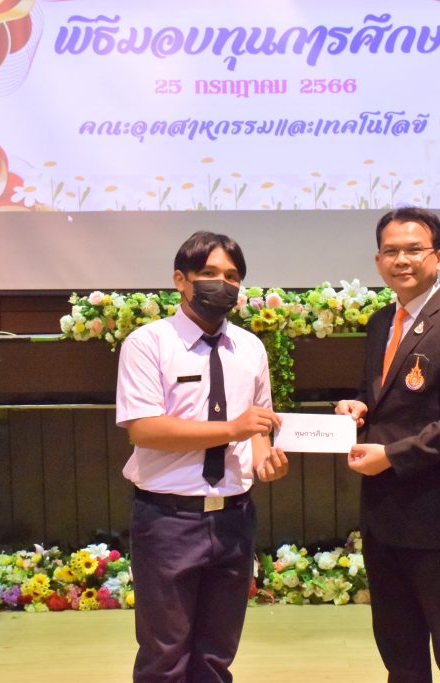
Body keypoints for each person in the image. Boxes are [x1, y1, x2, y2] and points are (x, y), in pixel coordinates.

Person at [115, 231, 290, 682]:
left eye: (232, 276)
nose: (222, 284)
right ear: (181, 279)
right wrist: (232, 429)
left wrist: (265, 460)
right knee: (164, 654)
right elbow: (145, 429)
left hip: (234, 517)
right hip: (168, 519)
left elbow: (259, 426)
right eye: (210, 273)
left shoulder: (250, 348)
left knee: (217, 656)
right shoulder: (148, 343)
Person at [335, 207, 440, 683]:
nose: (401, 260)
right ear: (378, 260)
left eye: (413, 249)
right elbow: (384, 398)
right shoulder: (381, 321)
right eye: (390, 251)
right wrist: (358, 407)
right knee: (399, 653)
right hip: (384, 516)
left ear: (438, 257)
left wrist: (394, 456)